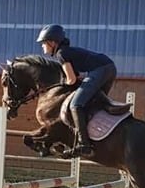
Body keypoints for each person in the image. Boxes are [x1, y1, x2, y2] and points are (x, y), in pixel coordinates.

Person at [36, 24, 117, 158]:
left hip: (101, 70)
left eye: (44, 43)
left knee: (76, 105)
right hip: (109, 68)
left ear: (52, 42)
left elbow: (71, 80)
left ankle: (84, 144)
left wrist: (59, 86)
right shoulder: (66, 51)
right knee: (91, 102)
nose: (42, 46)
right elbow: (77, 77)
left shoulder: (61, 54)